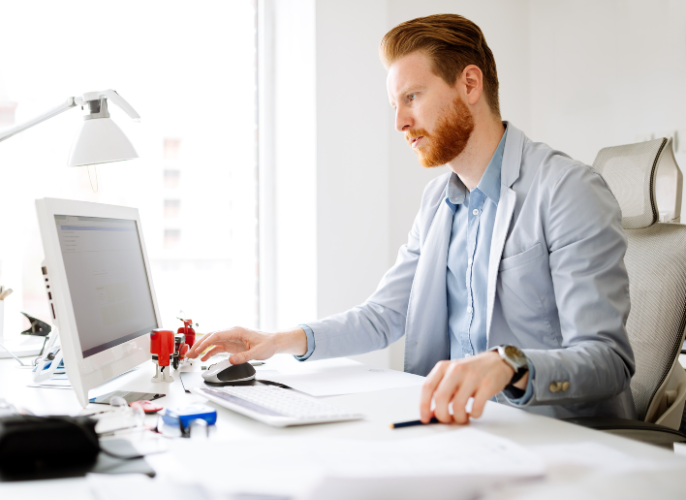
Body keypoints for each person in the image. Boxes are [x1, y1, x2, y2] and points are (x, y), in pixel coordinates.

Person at [187, 13, 635, 424]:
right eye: (394, 105)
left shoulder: (566, 190)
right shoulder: (438, 201)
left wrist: (510, 364)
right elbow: (383, 315)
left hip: (556, 437)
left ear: (470, 84)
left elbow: (607, 360)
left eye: (412, 97)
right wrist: (280, 340)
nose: (400, 121)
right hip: (461, 432)